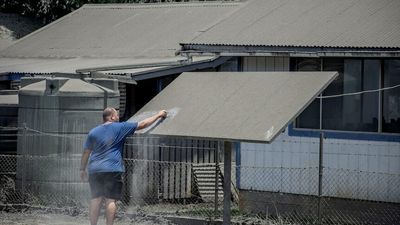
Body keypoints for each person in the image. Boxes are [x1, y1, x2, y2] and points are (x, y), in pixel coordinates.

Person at [80, 107, 167, 225]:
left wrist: (82, 169)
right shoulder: (120, 127)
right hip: (112, 170)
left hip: (95, 170)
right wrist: (158, 114)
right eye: (116, 115)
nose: (118, 117)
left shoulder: (93, 131)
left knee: (96, 198)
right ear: (111, 117)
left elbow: (86, 152)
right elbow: (143, 124)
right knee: (110, 200)